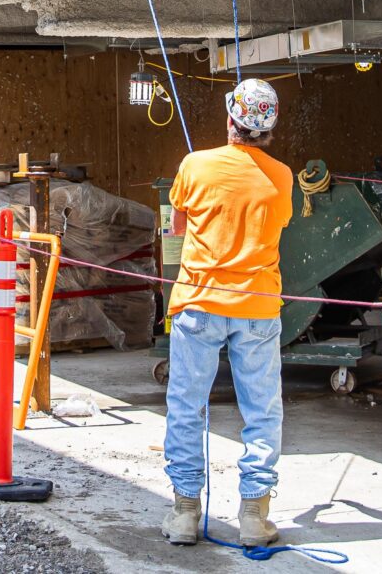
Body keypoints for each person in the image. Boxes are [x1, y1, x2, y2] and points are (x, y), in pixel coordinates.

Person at [160, 77, 293, 549]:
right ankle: (254, 515)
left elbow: (176, 227)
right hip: (257, 305)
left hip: (198, 303)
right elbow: (276, 225)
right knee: (261, 410)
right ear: (269, 128)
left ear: (231, 119)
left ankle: (184, 513)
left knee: (186, 405)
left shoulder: (194, 165)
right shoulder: (281, 176)